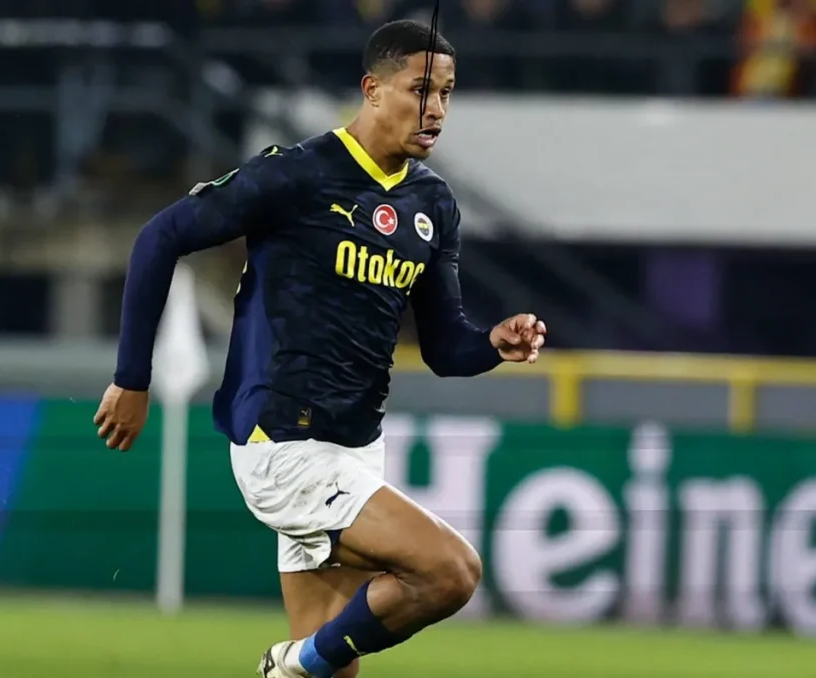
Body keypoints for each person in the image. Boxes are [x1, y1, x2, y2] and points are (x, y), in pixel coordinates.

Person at [92, 13, 547, 678]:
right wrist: (132, 378)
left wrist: (492, 345)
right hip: (283, 441)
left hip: (355, 448)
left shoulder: (432, 204)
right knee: (451, 571)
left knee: (338, 669)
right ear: (372, 89)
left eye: (447, 93)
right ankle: (293, 664)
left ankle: (304, 665)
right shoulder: (298, 175)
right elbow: (159, 237)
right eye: (421, 90)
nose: (436, 109)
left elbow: (445, 347)